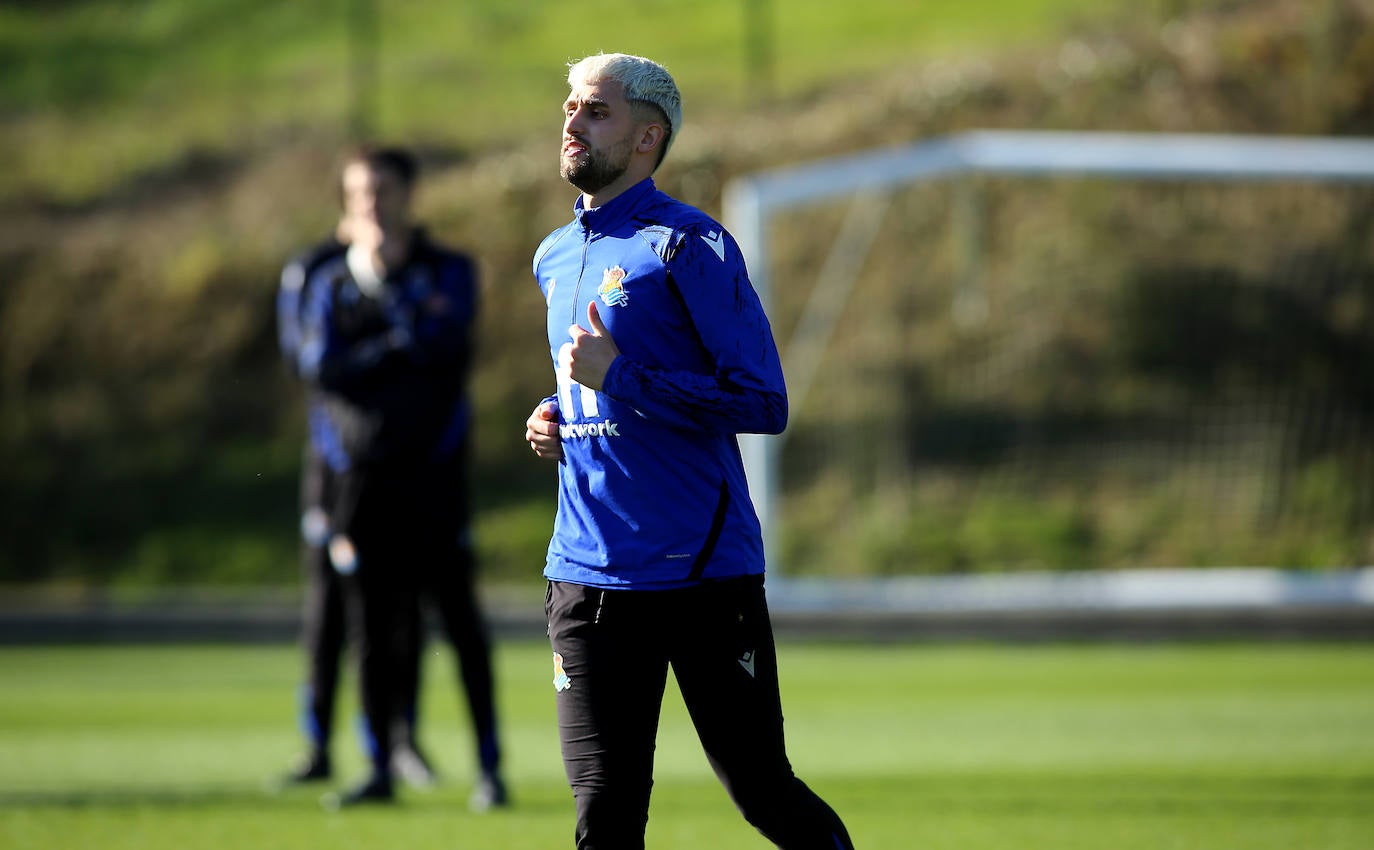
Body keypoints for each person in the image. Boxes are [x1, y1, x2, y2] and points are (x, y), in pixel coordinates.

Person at [524, 53, 856, 849]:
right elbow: (586, 383)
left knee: (764, 795)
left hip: (701, 577)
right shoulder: (553, 255)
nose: (572, 122)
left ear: (648, 135)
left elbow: (762, 400)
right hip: (585, 575)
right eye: (570, 106)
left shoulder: (689, 245)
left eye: (595, 111)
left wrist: (623, 377)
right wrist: (553, 412)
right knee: (604, 812)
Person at [297, 144, 507, 810]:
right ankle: (379, 765)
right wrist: (398, 342)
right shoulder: (331, 284)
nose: (373, 204)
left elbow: (448, 351)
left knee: (459, 622)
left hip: (437, 476)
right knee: (371, 628)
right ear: (345, 204)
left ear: (409, 194)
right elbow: (323, 369)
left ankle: (490, 769)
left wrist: (378, 352)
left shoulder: (451, 271)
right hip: (361, 485)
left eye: (383, 190)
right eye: (360, 193)